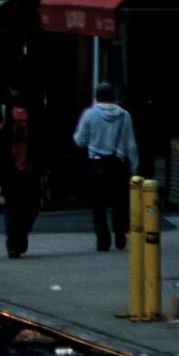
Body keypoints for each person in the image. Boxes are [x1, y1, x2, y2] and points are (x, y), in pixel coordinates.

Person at [72, 82, 139, 252]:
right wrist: (134, 167)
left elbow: (80, 140)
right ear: (113, 98)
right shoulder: (125, 116)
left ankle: (103, 240)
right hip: (118, 164)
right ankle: (120, 235)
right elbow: (131, 145)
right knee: (120, 203)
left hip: (97, 165)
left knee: (98, 205)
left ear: (96, 96)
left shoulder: (89, 114)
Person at [0, 85, 39, 258]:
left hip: (25, 167)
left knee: (27, 206)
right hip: (13, 167)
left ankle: (17, 239)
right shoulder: (6, 114)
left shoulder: (32, 115)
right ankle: (14, 243)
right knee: (15, 206)